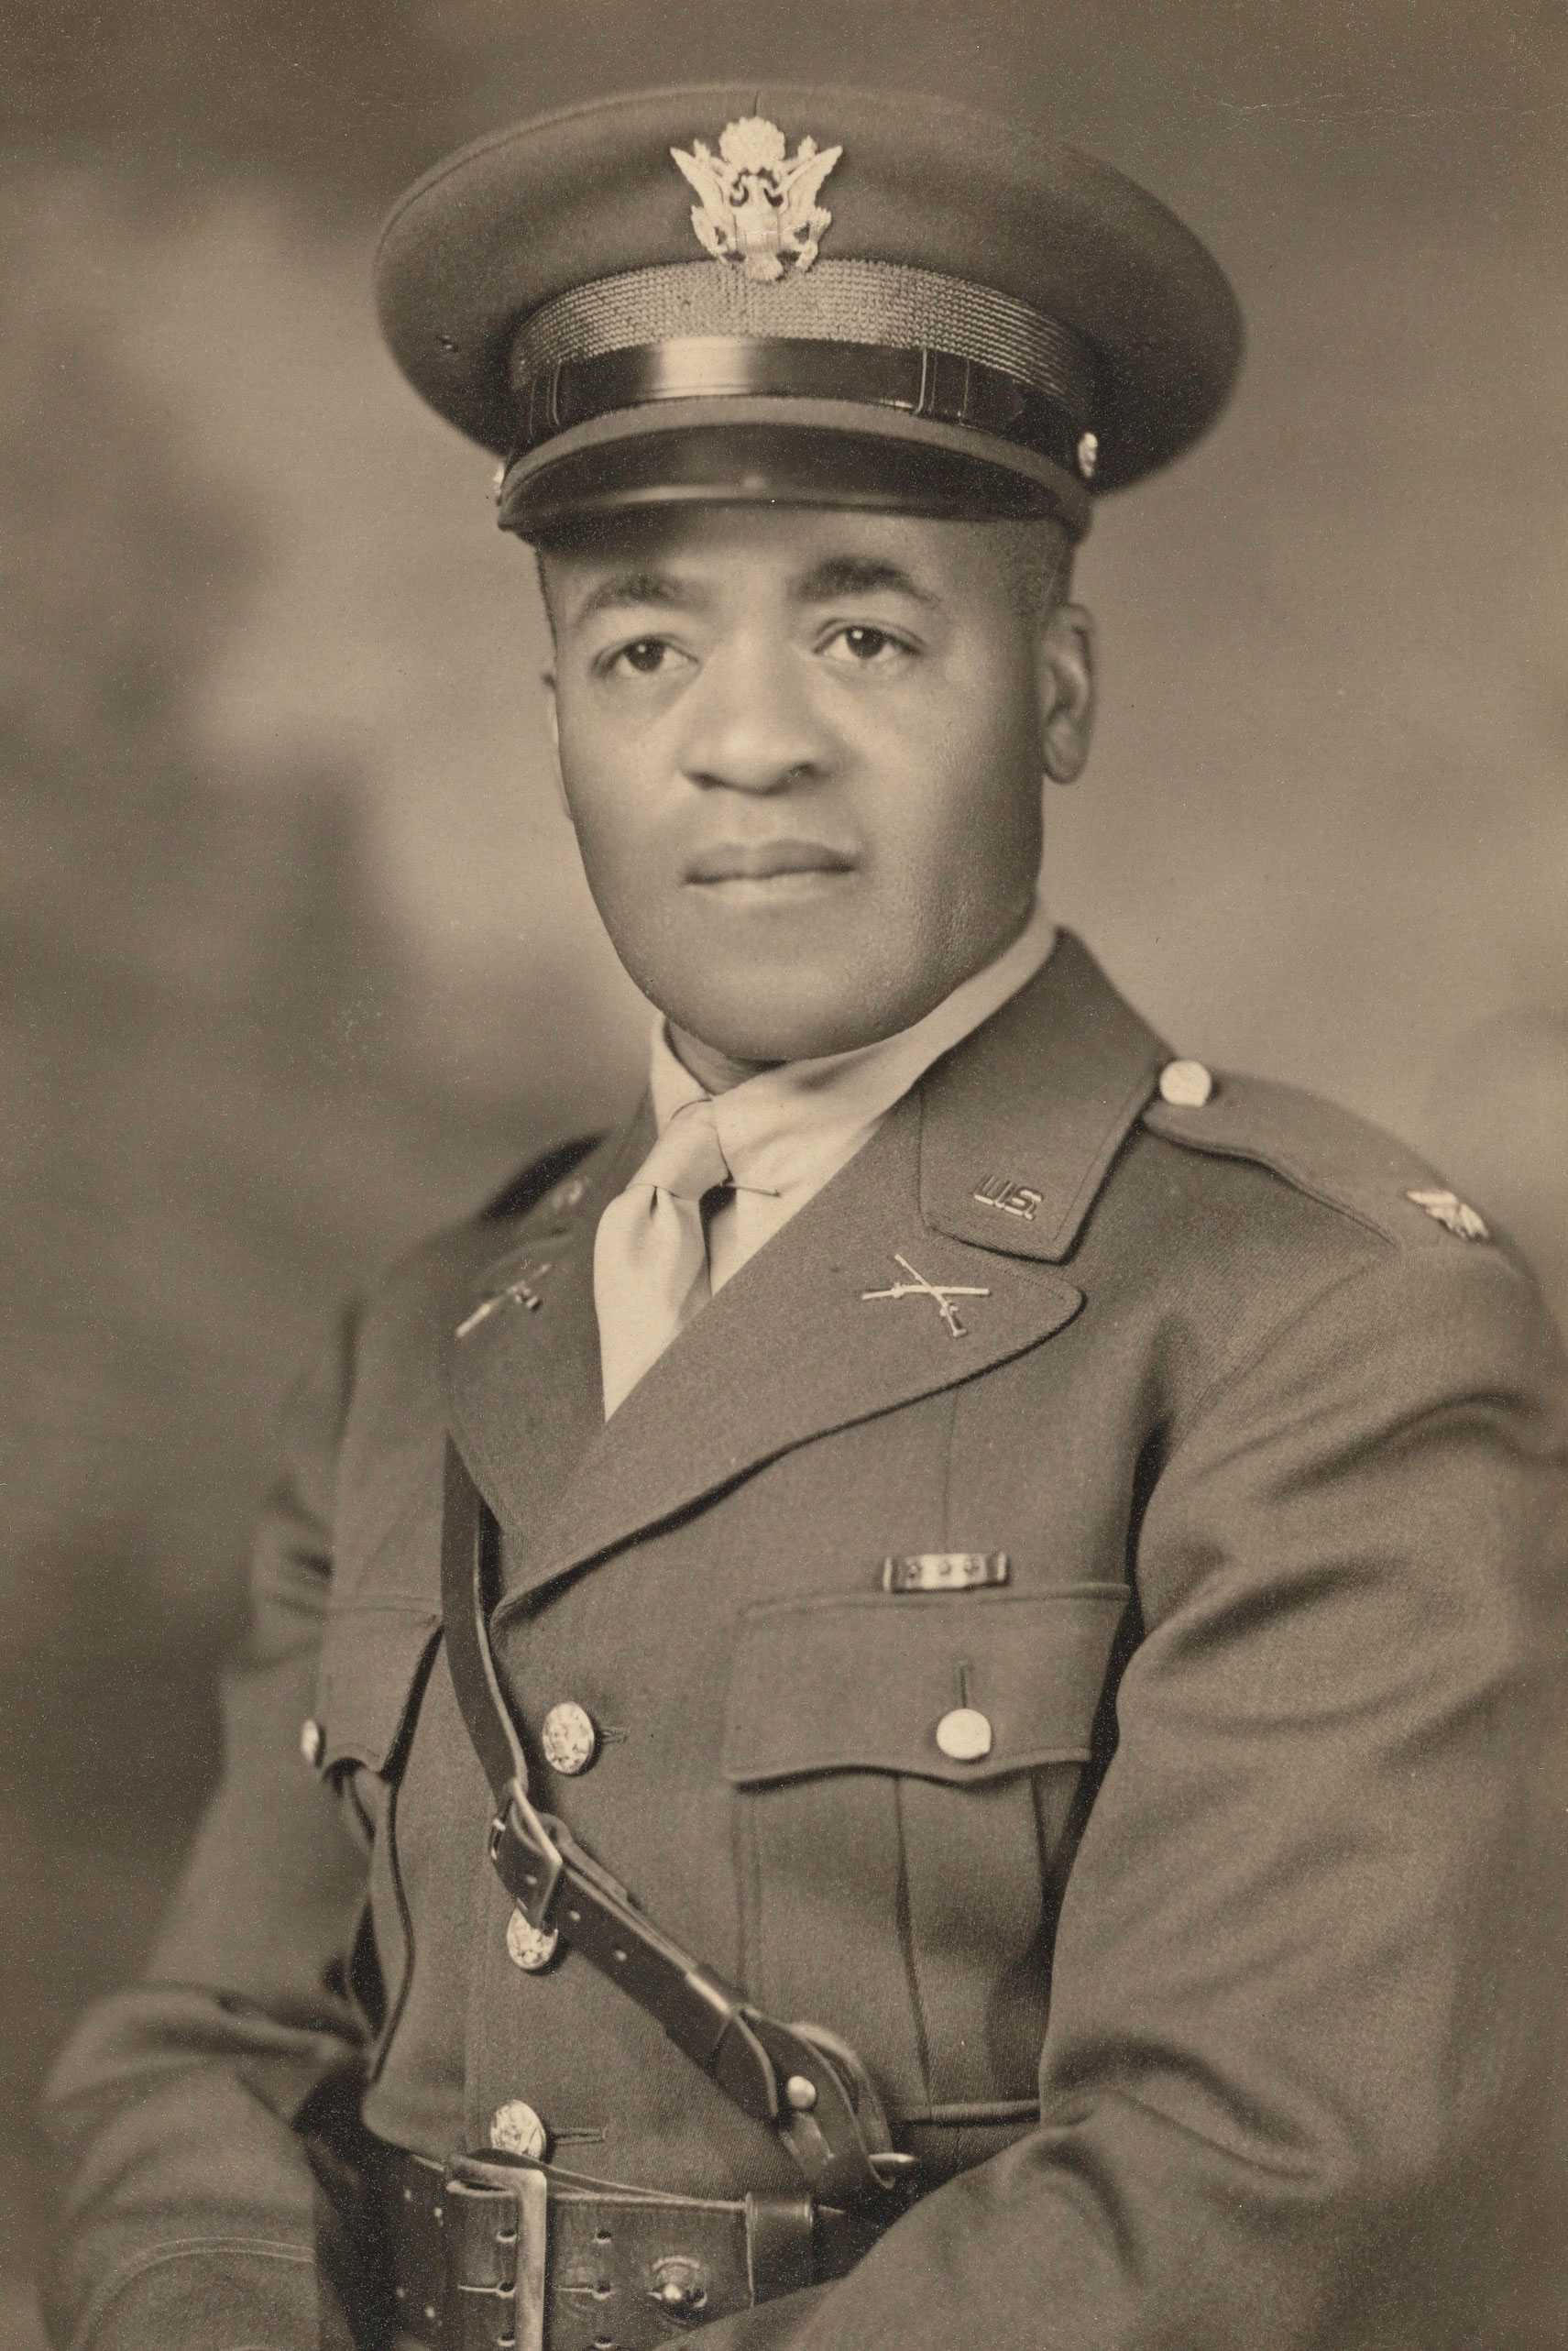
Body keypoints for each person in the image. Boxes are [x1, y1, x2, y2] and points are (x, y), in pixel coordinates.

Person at [41, 80, 1568, 2351]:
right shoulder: (424, 1337)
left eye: (864, 633)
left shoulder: (1311, 1321)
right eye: (649, 647)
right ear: (553, 706)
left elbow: (1239, 2185)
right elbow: (210, 2051)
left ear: (1051, 688)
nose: (742, 744)